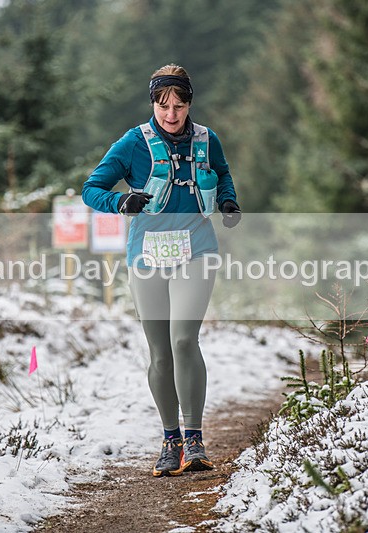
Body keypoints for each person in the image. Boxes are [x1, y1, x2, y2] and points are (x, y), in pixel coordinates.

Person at [81, 64, 241, 477]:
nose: (171, 114)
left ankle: (194, 439)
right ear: (153, 102)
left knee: (184, 339)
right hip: (147, 254)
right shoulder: (134, 142)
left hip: (196, 249)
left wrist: (227, 202)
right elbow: (91, 189)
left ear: (190, 103)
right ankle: (170, 439)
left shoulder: (207, 139)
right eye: (163, 105)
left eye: (180, 105)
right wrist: (120, 203)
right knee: (160, 351)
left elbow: (222, 174)